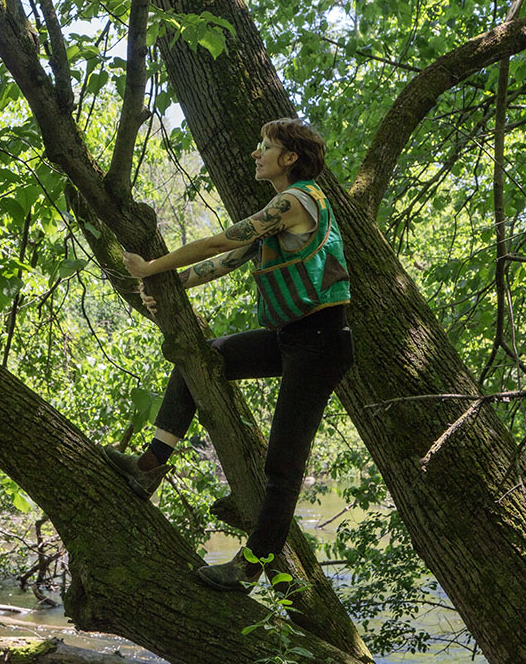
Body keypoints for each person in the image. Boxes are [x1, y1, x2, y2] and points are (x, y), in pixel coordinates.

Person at [106, 118, 354, 592]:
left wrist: (152, 266)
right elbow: (224, 262)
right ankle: (150, 467)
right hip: (293, 338)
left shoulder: (295, 200)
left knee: (283, 464)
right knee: (204, 357)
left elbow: (221, 240)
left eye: (266, 146)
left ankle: (250, 567)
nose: (255, 153)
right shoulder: (279, 211)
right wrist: (168, 287)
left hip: (322, 342)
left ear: (290, 158)